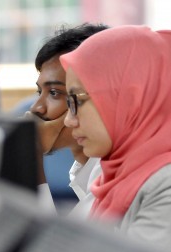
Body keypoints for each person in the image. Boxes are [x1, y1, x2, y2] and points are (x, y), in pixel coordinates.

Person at [60, 25, 171, 246]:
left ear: (131, 98)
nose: (68, 120)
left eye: (76, 101)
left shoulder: (165, 185)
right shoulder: (113, 173)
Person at [26, 23, 108, 216]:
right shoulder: (88, 172)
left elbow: (43, 245)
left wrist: (30, 158)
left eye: (54, 92)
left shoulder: (120, 178)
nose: (35, 107)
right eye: (40, 91)